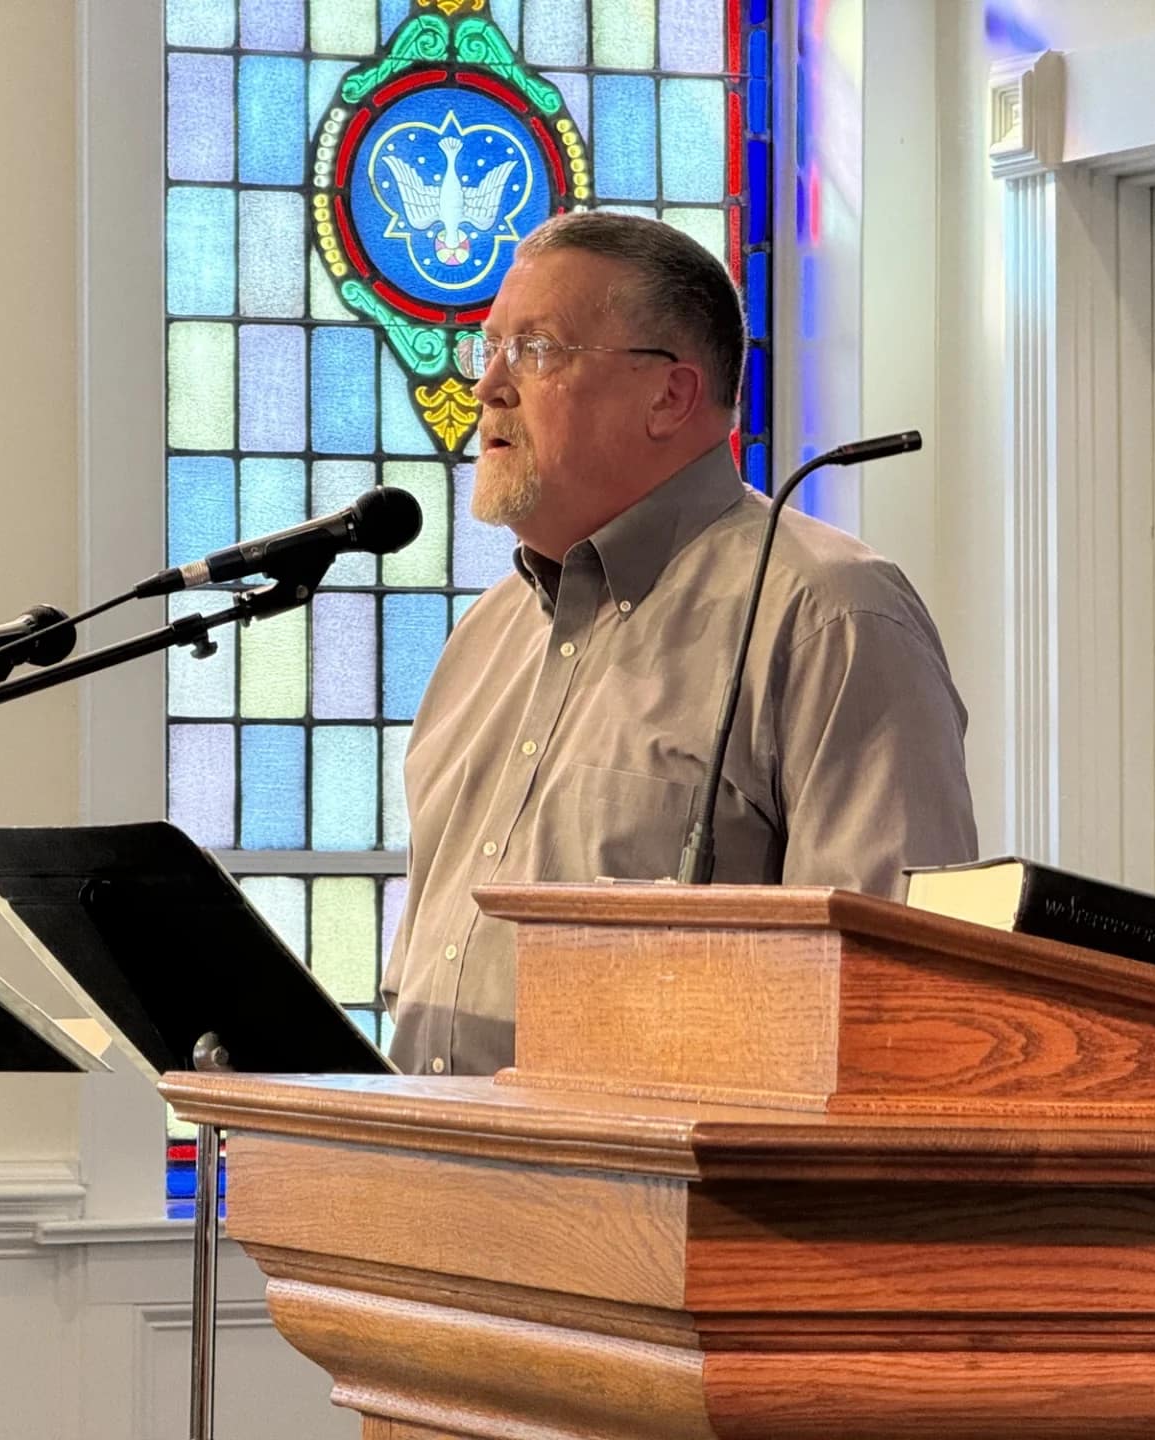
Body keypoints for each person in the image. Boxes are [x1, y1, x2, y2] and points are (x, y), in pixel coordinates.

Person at [381, 212, 976, 1076]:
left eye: (537, 350)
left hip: (667, 1202)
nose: (489, 387)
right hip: (433, 1184)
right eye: (489, 348)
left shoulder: (828, 616)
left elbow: (891, 1004)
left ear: (670, 396)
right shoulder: (484, 636)